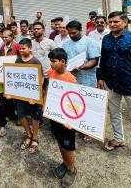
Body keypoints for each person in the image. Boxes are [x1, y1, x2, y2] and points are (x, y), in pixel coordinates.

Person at [98, 11, 131, 172]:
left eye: (116, 22)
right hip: (112, 84)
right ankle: (118, 138)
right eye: (110, 22)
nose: (112, 24)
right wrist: (100, 77)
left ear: (125, 22)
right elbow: (103, 59)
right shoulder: (106, 39)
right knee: (114, 113)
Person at [47, 48, 78, 187]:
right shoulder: (51, 73)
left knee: (68, 146)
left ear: (63, 62)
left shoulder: (71, 79)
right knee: (60, 142)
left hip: (67, 120)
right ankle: (65, 163)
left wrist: (71, 121)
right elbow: (48, 91)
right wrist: (45, 107)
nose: (51, 64)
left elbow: (75, 103)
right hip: (54, 116)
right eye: (50, 61)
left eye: (53, 61)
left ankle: (72, 169)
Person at [12, 38, 43, 154]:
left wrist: (35, 97)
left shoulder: (36, 62)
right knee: (21, 115)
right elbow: (14, 77)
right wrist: (11, 93)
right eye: (20, 48)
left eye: (23, 48)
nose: (21, 50)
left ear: (30, 48)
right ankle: (28, 135)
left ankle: (35, 138)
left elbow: (41, 79)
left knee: (35, 117)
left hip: (33, 97)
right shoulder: (18, 61)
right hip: (20, 96)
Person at [31, 21, 56, 88]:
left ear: (43, 30)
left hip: (48, 75)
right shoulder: (30, 43)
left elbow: (56, 57)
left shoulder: (50, 42)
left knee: (47, 96)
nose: (36, 30)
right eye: (34, 29)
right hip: (34, 75)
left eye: (38, 29)